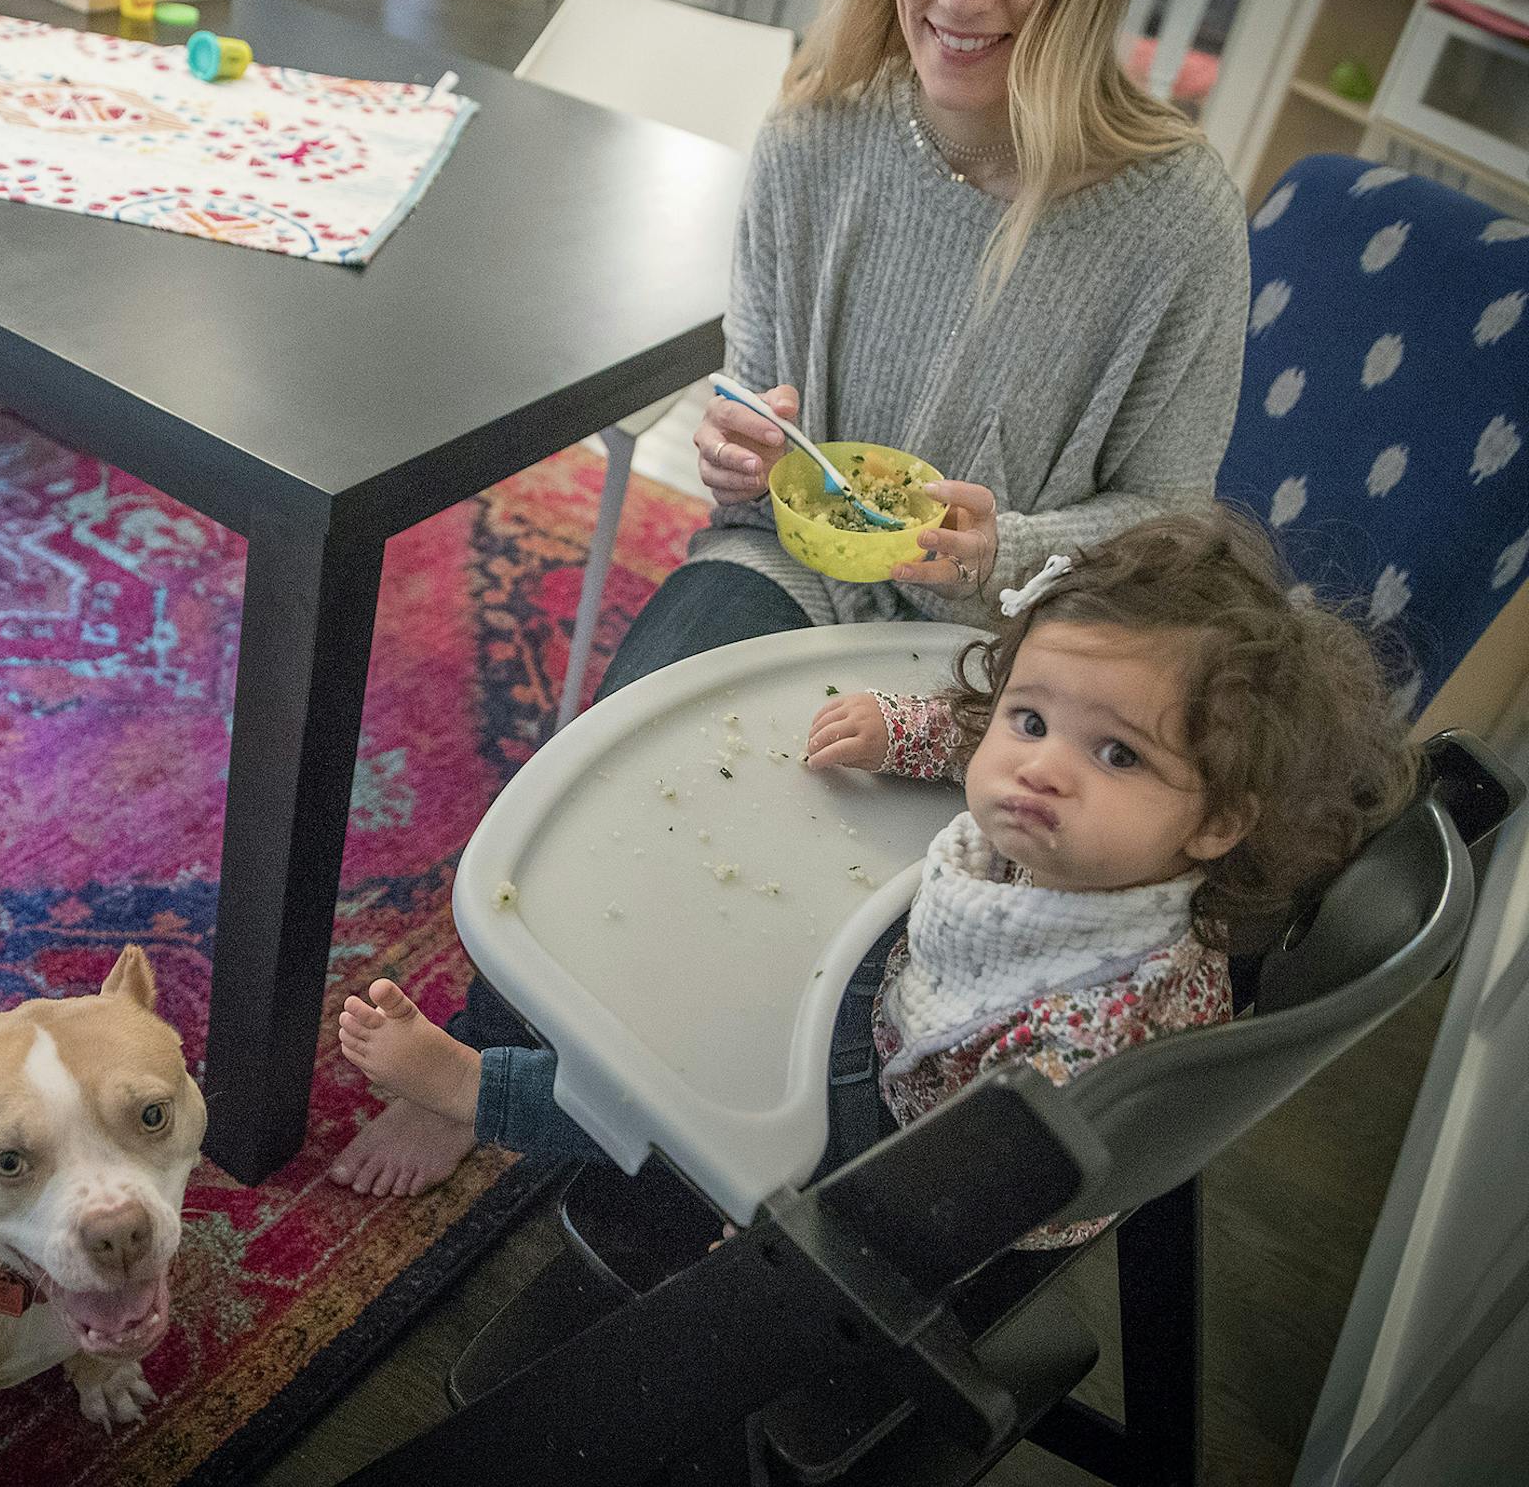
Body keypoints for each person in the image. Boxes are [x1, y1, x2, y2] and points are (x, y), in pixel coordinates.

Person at [331, 0, 1253, 1197]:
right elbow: (759, 416)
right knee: (606, 773)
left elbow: (1174, 543)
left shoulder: (1177, 211)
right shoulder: (815, 139)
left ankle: (566, 1108)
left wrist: (1009, 544)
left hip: (1029, 649)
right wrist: (736, 440)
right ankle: (489, 1058)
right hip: (788, 564)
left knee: (832, 959)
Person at [339, 511, 1422, 1239]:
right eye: (1033, 718)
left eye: (1118, 755)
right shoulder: (1085, 829)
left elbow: (943, 1203)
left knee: (678, 1073)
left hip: (904, 1162)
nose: (1042, 765)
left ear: (1221, 821)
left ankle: (483, 1091)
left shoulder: (1093, 1028)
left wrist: (784, 1169)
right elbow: (990, 739)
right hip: (922, 1018)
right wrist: (900, 731)